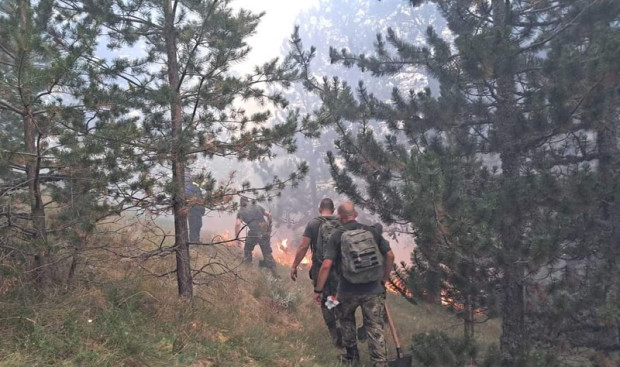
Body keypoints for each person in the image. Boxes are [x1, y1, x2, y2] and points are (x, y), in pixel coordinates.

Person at [313, 202, 395, 366]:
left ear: (340, 217)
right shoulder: (371, 231)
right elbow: (390, 256)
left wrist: (318, 290)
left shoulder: (337, 235)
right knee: (374, 325)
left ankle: (352, 358)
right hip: (373, 290)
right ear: (355, 215)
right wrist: (384, 279)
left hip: (346, 290)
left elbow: (326, 265)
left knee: (346, 321)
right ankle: (380, 362)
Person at [290, 198, 343, 348]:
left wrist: (294, 265)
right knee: (336, 296)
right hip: (339, 269)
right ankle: (340, 322)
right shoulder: (341, 223)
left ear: (320, 209)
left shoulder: (313, 223)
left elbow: (304, 246)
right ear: (333, 210)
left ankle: (334, 331)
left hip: (320, 269)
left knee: (324, 300)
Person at [235, 197, 276, 269]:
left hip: (254, 233)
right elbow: (269, 215)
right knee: (267, 252)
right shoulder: (257, 206)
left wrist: (237, 238)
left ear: (240, 204)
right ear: (248, 202)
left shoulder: (241, 211)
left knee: (247, 249)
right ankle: (272, 270)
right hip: (265, 232)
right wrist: (269, 227)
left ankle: (248, 266)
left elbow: (238, 224)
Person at [185, 172, 205, 243]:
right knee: (193, 226)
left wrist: (202, 209)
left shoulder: (198, 189)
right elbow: (189, 198)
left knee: (199, 225)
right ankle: (193, 242)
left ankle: (197, 240)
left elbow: (201, 200)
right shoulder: (190, 187)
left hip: (198, 210)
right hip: (193, 210)